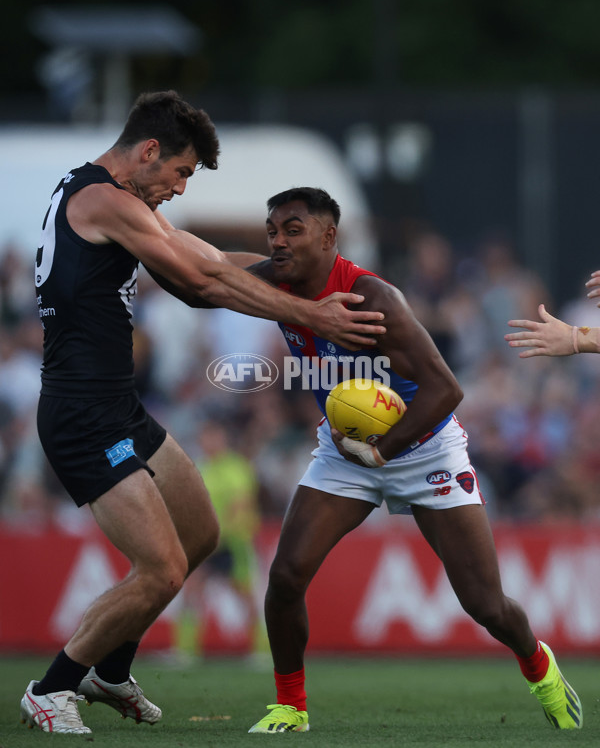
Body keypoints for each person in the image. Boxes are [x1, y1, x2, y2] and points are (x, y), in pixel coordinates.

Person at [21, 91, 386, 735]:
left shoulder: (115, 201)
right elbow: (202, 287)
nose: (180, 189)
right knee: (160, 568)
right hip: (82, 413)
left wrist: (305, 273)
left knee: (201, 537)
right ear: (150, 151)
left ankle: (111, 671)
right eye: (181, 173)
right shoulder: (104, 200)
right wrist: (312, 313)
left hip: (116, 406)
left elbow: (211, 262)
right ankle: (53, 688)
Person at [245, 187, 582, 734]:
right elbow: (203, 277)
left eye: (292, 229)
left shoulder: (373, 298)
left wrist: (381, 450)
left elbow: (447, 390)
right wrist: (144, 243)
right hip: (346, 449)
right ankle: (291, 706)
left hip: (424, 447)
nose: (278, 241)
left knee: (485, 604)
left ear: (329, 236)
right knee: (285, 577)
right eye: (272, 231)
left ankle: (538, 666)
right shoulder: (272, 279)